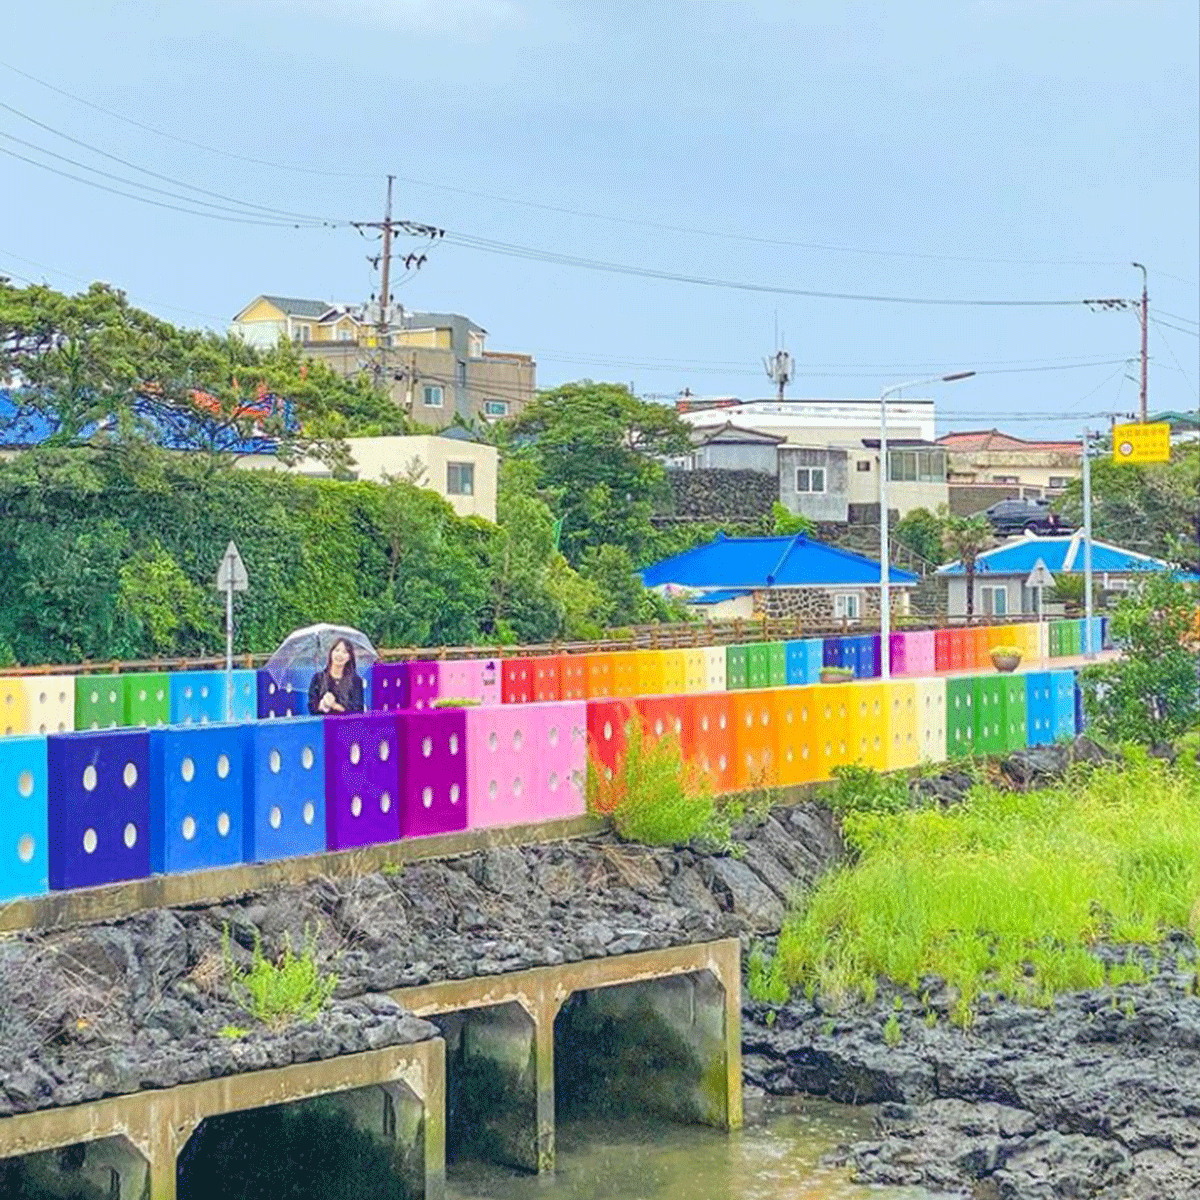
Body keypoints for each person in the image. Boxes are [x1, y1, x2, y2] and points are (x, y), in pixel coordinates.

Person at [308, 638, 365, 715]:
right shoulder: (318, 678)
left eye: (345, 652)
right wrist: (323, 704)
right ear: (331, 653)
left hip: (346, 725)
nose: (340, 655)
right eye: (337, 650)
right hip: (323, 724)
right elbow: (311, 707)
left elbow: (358, 710)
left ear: (349, 657)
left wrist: (334, 705)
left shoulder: (356, 681)